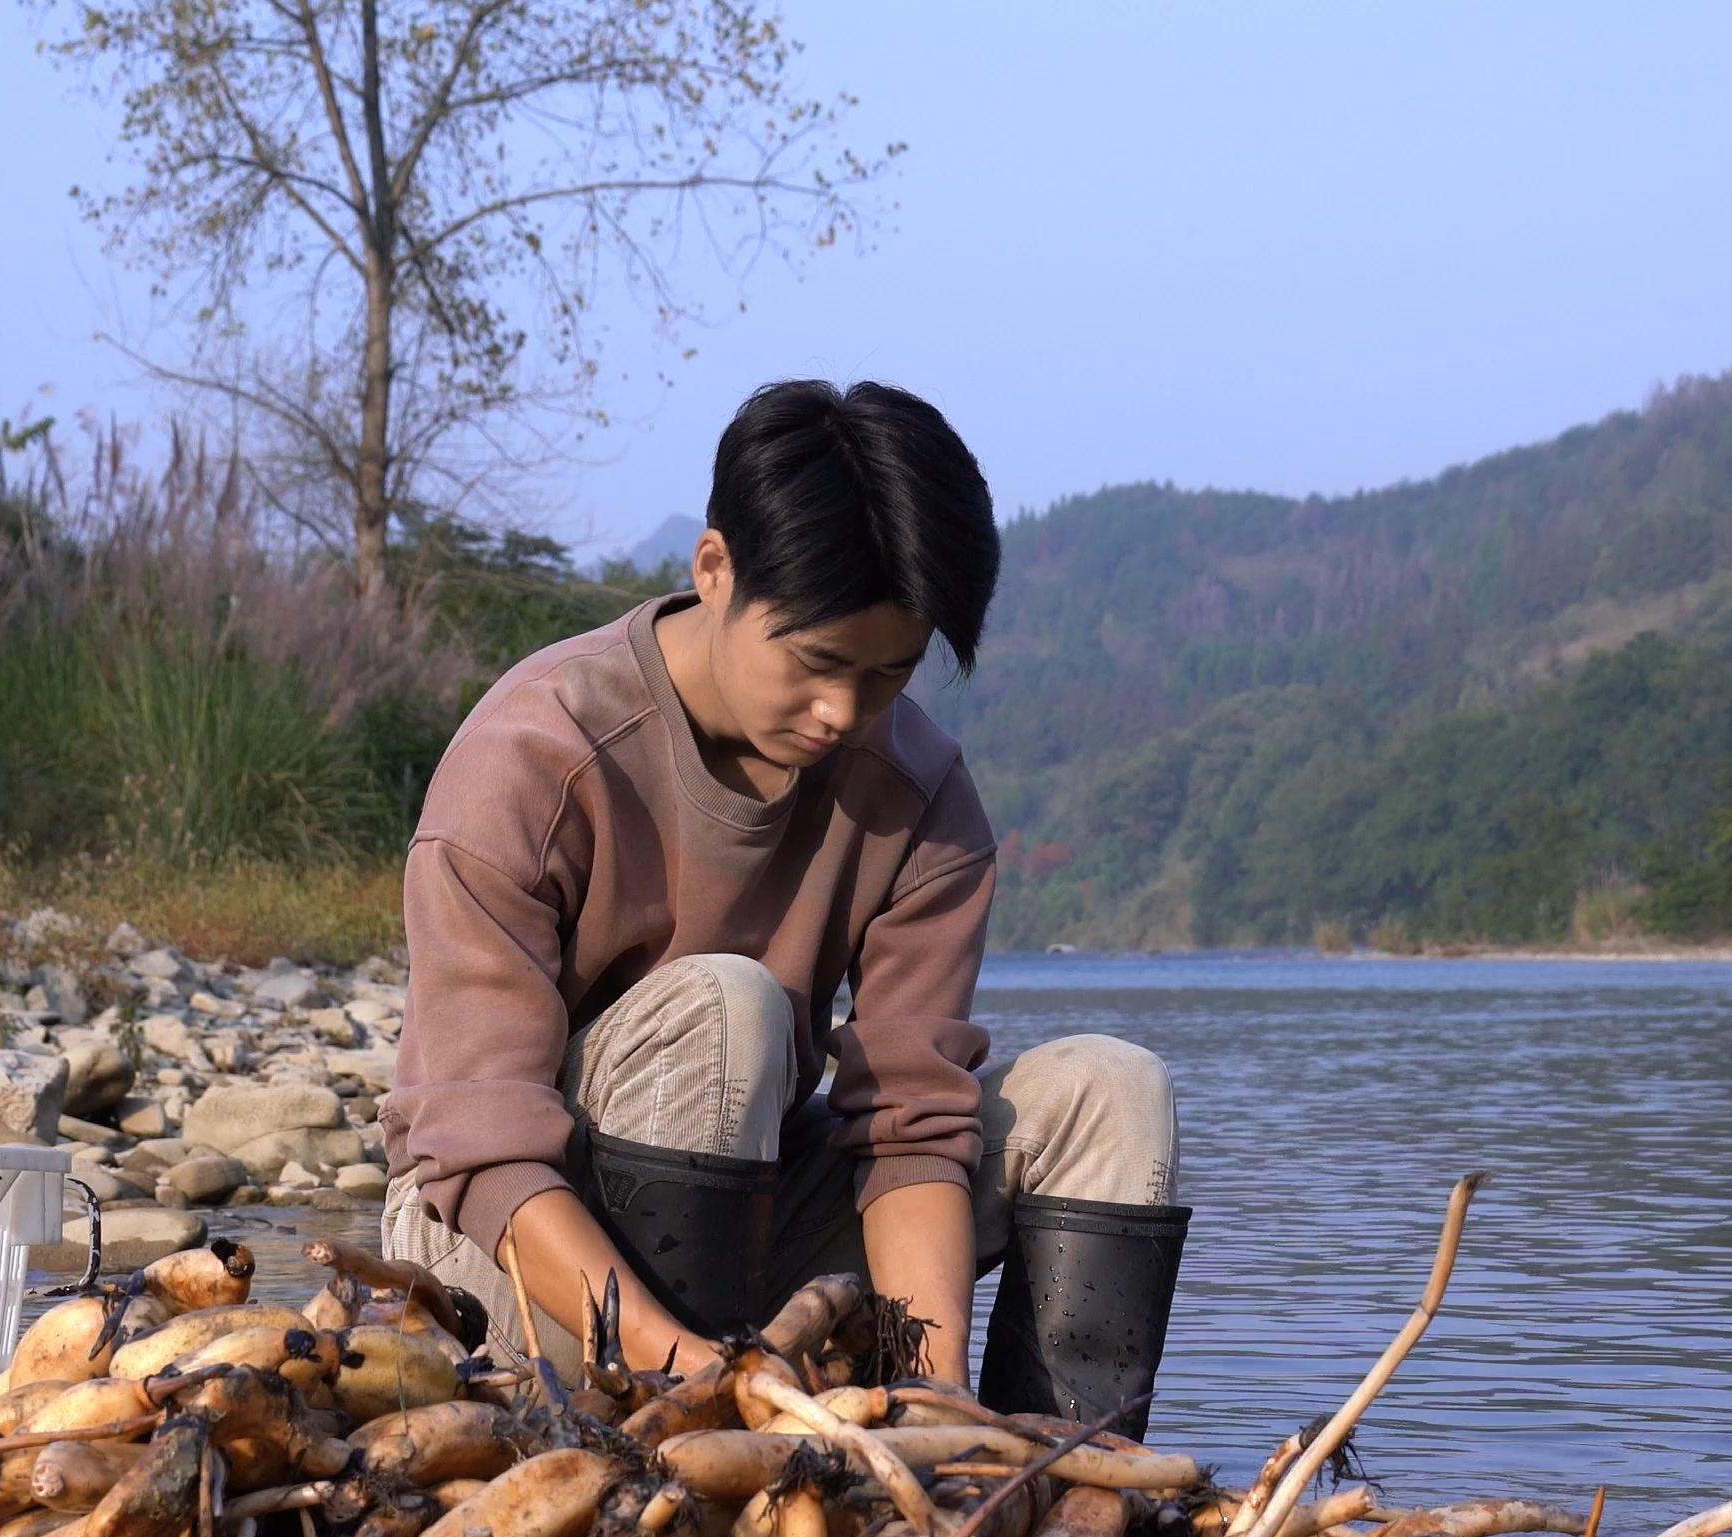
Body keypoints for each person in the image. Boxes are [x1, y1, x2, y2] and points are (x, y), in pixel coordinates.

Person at [377, 378, 1190, 1426]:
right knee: (727, 1004)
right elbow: (479, 1145)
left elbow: (908, 1128)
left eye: (888, 674)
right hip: (502, 1255)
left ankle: (1055, 1474)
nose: (843, 712)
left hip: (753, 1232)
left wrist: (927, 1388)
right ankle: (677, 1428)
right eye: (815, 664)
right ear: (713, 569)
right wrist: (698, 1372)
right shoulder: (535, 759)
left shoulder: (921, 800)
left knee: (1109, 1090)